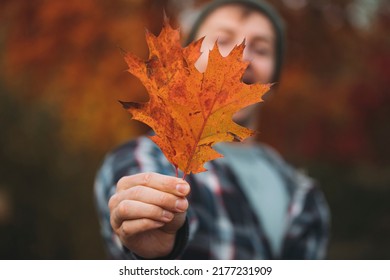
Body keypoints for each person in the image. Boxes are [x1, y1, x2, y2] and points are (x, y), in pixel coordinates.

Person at [94, 0, 330, 260]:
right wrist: (162, 244)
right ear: (186, 64)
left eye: (261, 49)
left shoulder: (302, 193)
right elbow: (145, 218)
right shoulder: (146, 158)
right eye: (222, 41)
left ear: (273, 82)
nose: (242, 57)